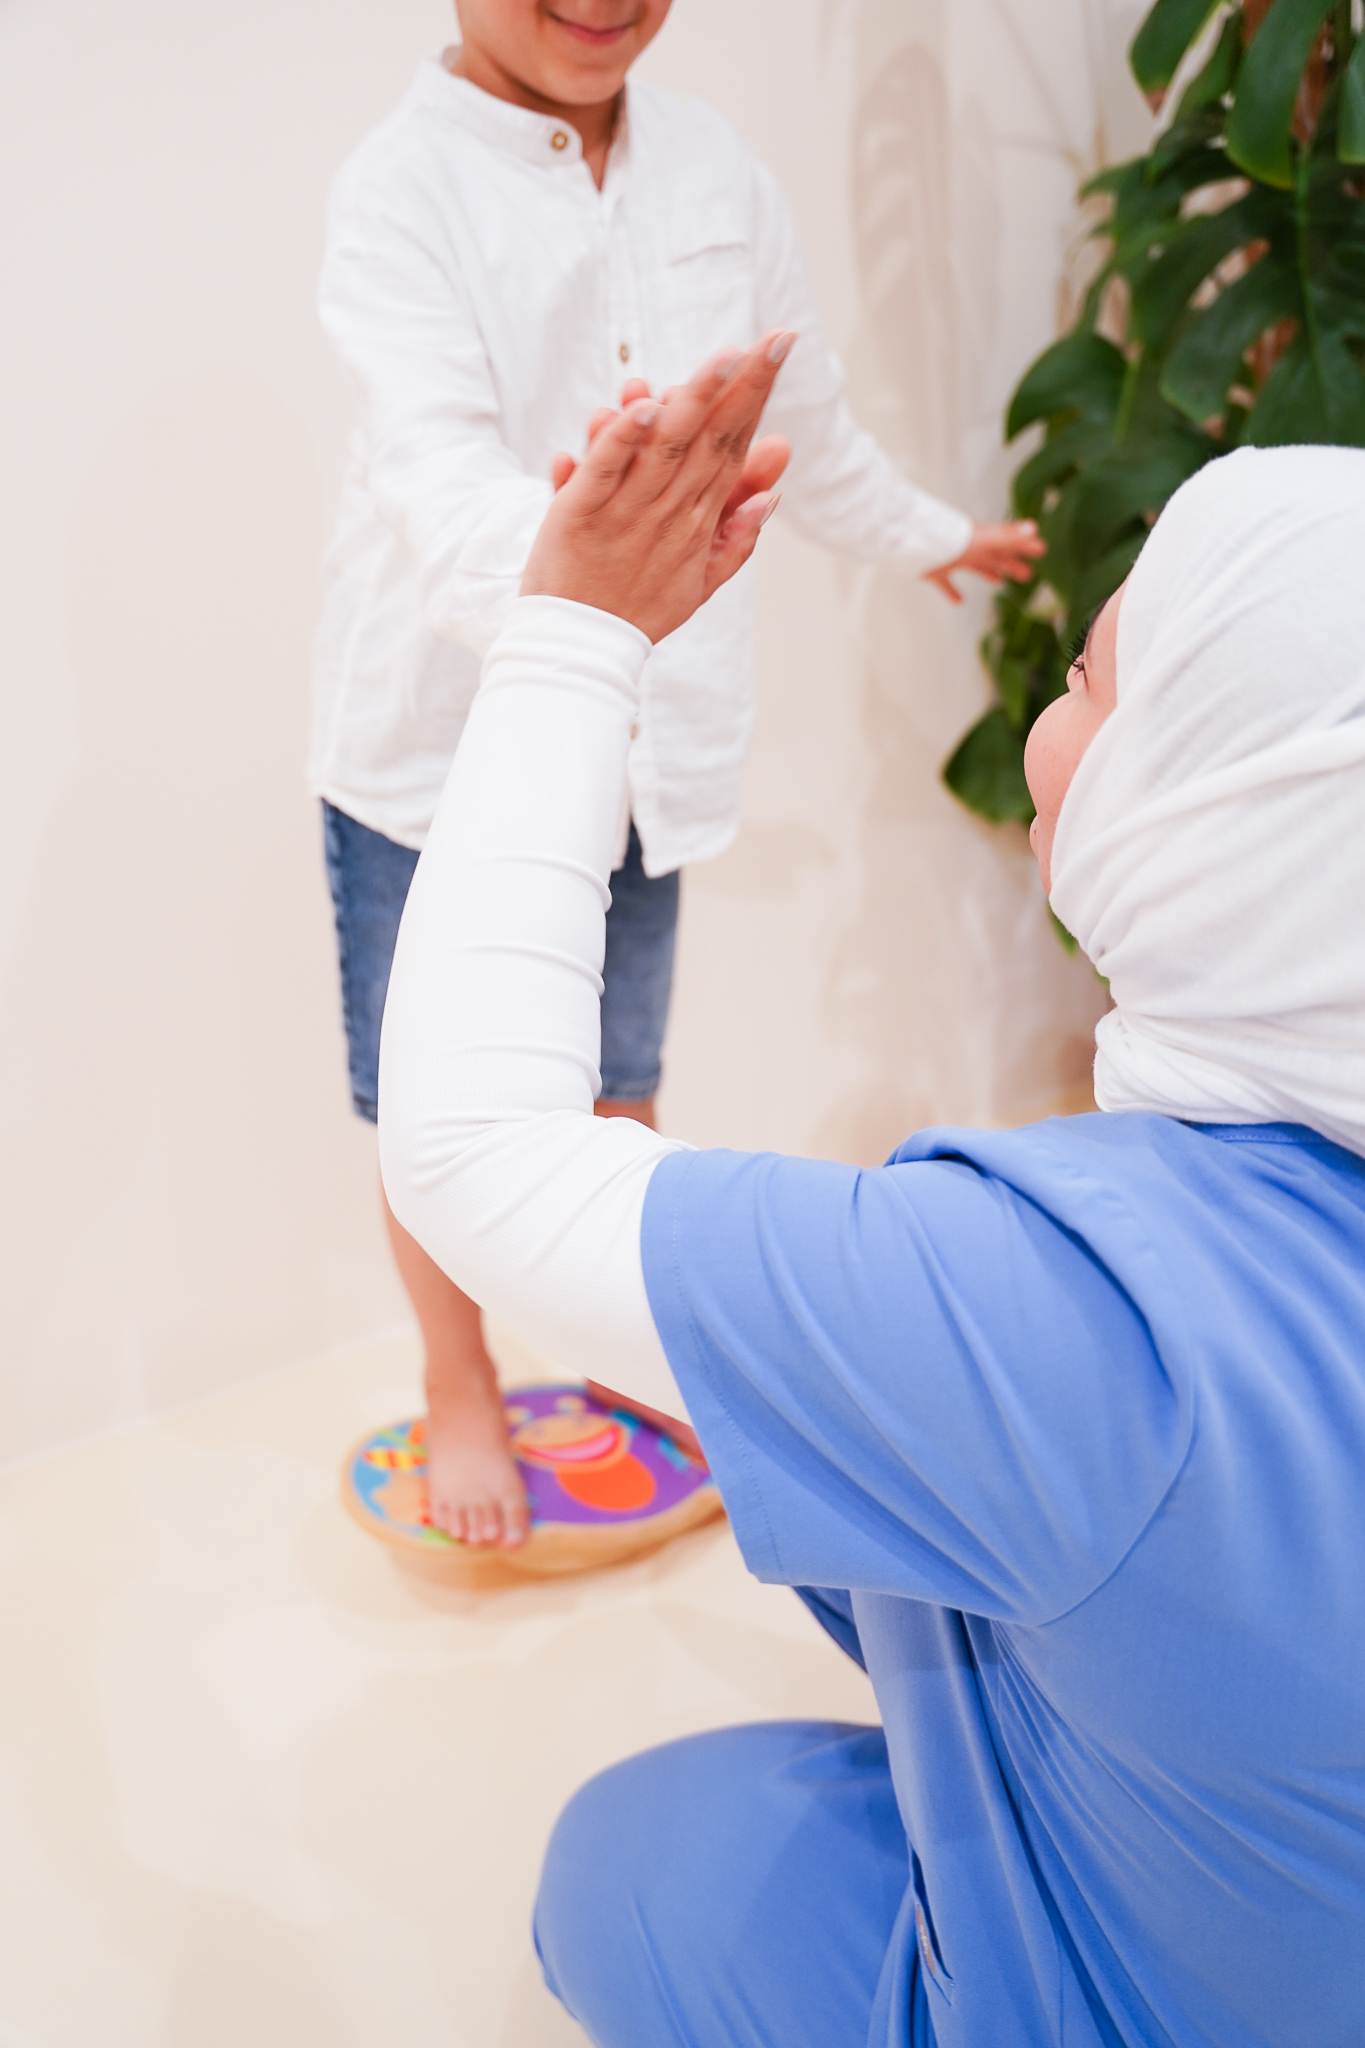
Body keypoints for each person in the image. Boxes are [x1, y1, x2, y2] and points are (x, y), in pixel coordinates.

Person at [376, 334, 1365, 2048]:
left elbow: (476, 1156)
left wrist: (573, 631)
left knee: (629, 1862)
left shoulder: (1077, 1322)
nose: (1052, 712)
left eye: (1088, 682)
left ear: (1222, 810)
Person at [312, 0, 1042, 1550]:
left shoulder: (715, 167)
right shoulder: (399, 189)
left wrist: (929, 533)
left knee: (618, 1083)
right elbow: (431, 475)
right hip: (435, 762)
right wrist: (575, 566)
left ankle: (618, 1353)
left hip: (645, 756)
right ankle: (457, 1377)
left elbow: (803, 422)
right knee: (437, 1111)